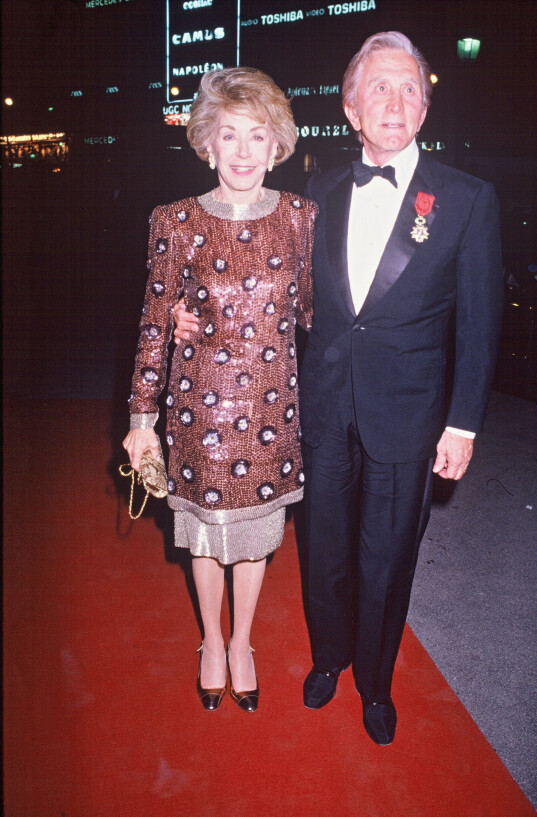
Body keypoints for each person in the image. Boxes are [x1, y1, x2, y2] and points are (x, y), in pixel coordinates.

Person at [174, 32, 504, 745]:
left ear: (426, 103)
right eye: (378, 88)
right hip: (320, 407)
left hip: (408, 416)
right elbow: (269, 286)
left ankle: (376, 683)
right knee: (323, 548)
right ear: (351, 108)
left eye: (409, 87)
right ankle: (328, 659)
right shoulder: (317, 193)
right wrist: (190, 310)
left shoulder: (467, 198)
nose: (395, 101)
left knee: (388, 557)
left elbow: (481, 322)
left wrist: (464, 423)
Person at [124, 67, 317, 714]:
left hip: (270, 410)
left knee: (257, 541)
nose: (241, 150)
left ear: (276, 145)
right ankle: (211, 639)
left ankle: (243, 642)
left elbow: (319, 313)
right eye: (228, 135)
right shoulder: (175, 221)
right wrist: (141, 417)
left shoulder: (300, 219)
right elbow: (154, 323)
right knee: (204, 537)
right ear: (207, 142)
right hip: (198, 408)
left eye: (256, 136)